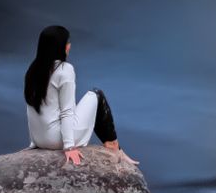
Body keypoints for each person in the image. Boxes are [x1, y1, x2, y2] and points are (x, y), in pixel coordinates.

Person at [24, 25, 138, 167]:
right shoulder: (65, 69)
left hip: (40, 139)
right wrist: (69, 147)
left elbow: (31, 107)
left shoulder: (33, 69)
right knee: (97, 95)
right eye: (67, 43)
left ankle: (115, 148)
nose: (69, 46)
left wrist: (35, 142)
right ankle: (115, 149)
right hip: (57, 140)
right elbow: (66, 112)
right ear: (60, 47)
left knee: (84, 103)